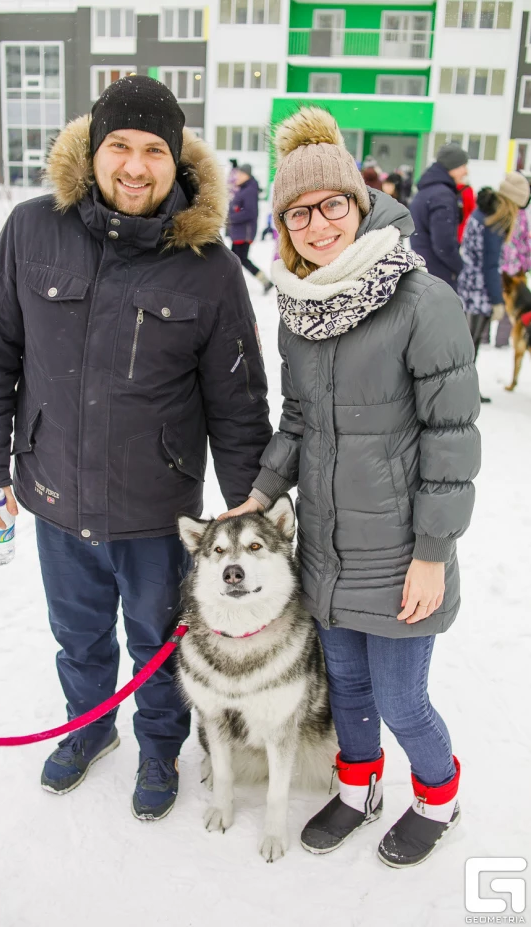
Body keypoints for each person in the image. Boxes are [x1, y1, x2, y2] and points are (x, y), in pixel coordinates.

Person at [0, 76, 271, 821]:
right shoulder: (33, 231)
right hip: (55, 490)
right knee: (78, 634)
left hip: (156, 508)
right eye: (120, 147)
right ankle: (89, 726)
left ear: (177, 160)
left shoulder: (211, 269)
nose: (135, 166)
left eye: (153, 149)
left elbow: (238, 401)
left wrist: (248, 509)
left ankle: (159, 744)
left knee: (159, 643)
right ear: (93, 151)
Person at [222, 106, 480, 868]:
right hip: (328, 554)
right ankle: (358, 786)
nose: (318, 223)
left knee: (403, 700)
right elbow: (297, 420)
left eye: (333, 204)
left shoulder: (422, 302)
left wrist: (433, 552)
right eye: (299, 212)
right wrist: (263, 492)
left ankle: (439, 795)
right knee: (347, 690)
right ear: (284, 224)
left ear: (359, 203)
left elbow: (453, 441)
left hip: (402, 556)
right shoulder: (300, 312)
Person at [457, 181, 526, 399]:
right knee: (472, 342)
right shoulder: (496, 220)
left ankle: (463, 388)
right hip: (480, 289)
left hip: (469, 283)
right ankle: (464, 391)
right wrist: (497, 301)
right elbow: (491, 265)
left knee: (469, 341)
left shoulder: (483, 210)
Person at [410, 142, 469, 289]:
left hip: (426, 270)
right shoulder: (442, 195)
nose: (466, 171)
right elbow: (443, 244)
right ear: (453, 167)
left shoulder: (428, 190)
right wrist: (459, 267)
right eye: (463, 166)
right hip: (439, 275)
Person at [496, 172, 531, 347]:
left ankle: (501, 340)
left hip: (517, 270)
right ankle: (496, 340)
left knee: (511, 306)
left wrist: (526, 263)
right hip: (506, 270)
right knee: (500, 302)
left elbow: (524, 241)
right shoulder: (504, 213)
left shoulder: (521, 214)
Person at [227, 163, 273, 293]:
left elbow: (249, 212)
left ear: (247, 175)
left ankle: (264, 281)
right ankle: (230, 287)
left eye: (240, 174)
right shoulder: (243, 189)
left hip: (244, 232)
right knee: (235, 261)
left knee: (240, 260)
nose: (237, 177)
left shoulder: (249, 190)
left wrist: (231, 218)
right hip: (239, 232)